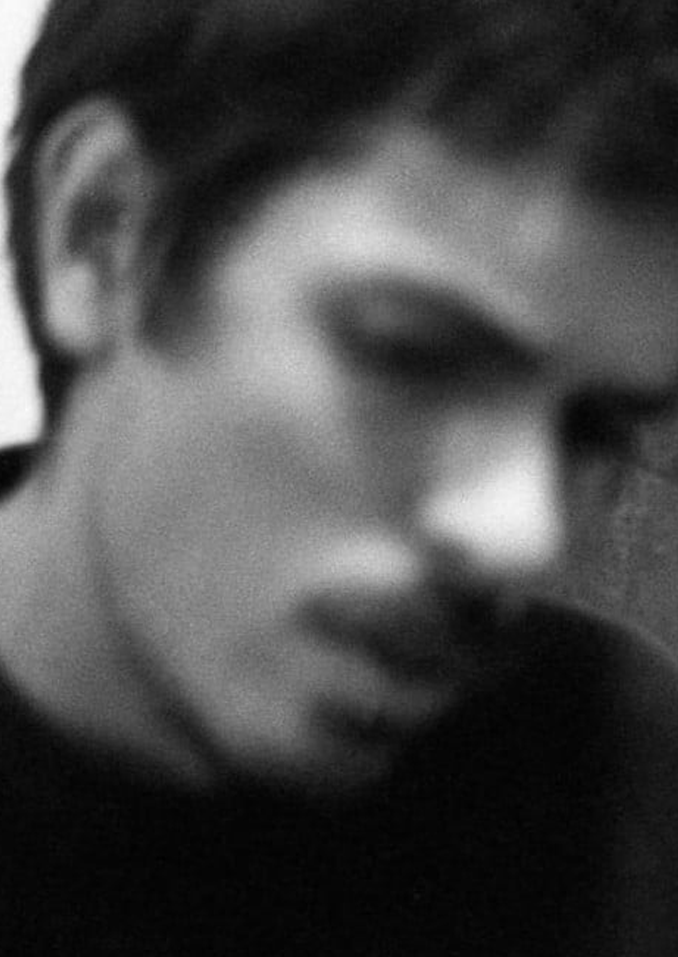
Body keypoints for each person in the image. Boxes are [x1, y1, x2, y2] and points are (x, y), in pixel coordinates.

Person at [2, 0, 678, 953]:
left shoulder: (620, 764)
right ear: (102, 233)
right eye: (416, 356)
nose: (525, 535)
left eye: (595, 429)